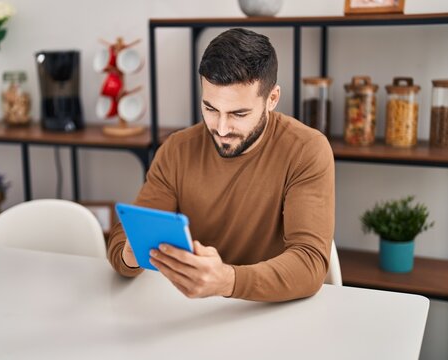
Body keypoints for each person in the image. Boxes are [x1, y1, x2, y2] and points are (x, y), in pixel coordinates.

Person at [107, 28, 335, 302]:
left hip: (270, 310)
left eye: (238, 113)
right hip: (190, 310)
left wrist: (228, 281)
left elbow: (310, 264)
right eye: (210, 109)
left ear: (272, 99)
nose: (222, 129)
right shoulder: (176, 150)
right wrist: (130, 255)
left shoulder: (306, 150)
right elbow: (123, 242)